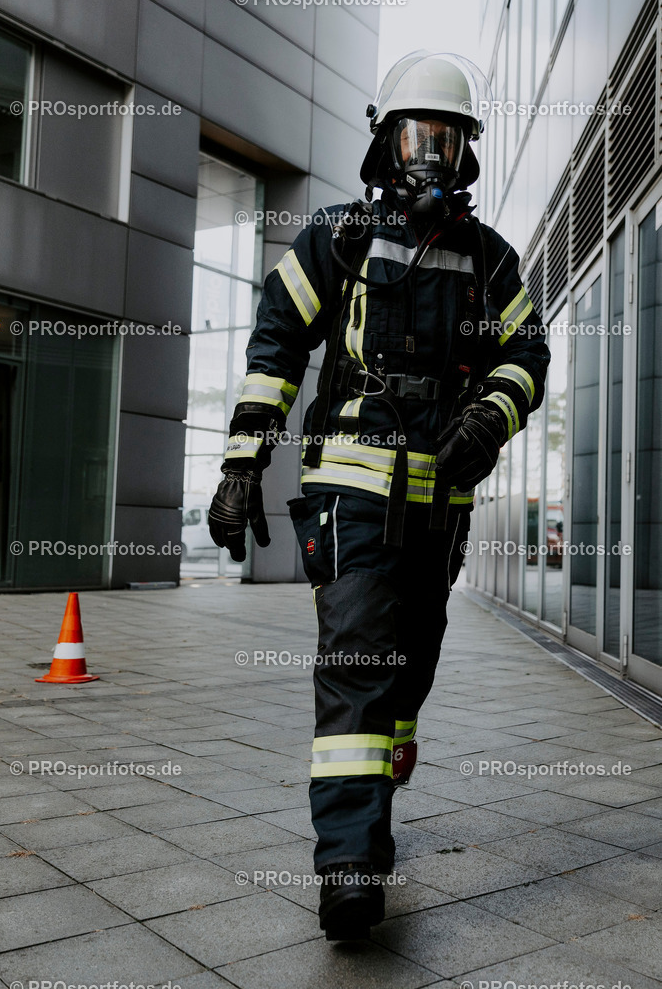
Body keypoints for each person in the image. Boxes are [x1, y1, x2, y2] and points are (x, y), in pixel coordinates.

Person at [208, 51, 550, 941]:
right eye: (416, 135)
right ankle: (352, 871)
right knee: (358, 667)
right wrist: (242, 464)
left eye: (446, 137)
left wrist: (488, 419)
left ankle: (386, 758)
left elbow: (529, 356)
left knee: (413, 666)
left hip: (440, 507)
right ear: (386, 143)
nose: (429, 154)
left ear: (465, 149)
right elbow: (276, 343)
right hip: (349, 496)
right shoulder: (337, 238)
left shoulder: (490, 260)